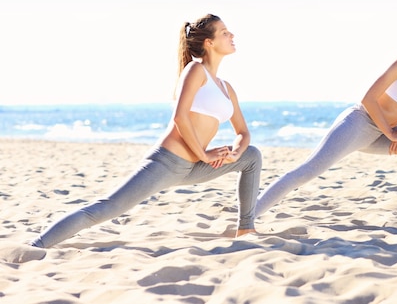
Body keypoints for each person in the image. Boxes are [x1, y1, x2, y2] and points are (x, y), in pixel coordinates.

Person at [29, 14, 262, 249]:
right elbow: (180, 117)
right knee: (105, 209)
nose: (231, 35)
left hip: (192, 168)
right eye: (224, 32)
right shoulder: (195, 71)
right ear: (208, 43)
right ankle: (35, 246)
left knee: (251, 155)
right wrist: (204, 154)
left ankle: (245, 228)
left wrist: (234, 152)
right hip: (167, 162)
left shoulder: (226, 87)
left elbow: (243, 131)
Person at [256, 10, 397, 218]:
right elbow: (368, 98)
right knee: (308, 171)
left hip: (384, 136)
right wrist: (390, 132)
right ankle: (247, 219)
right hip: (359, 123)